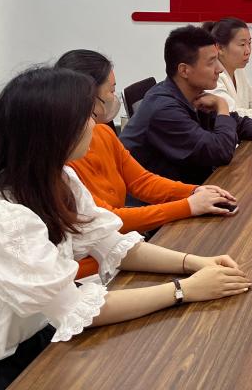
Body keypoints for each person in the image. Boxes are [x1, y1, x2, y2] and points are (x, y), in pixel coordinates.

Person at [0, 67, 252, 390]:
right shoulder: (0, 217)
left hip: (37, 339)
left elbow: (113, 244)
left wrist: (195, 263)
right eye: (87, 117)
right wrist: (184, 290)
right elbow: (76, 309)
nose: (94, 124)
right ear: (56, 131)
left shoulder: (60, 177)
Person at [57, 50, 238, 280]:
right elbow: (110, 220)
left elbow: (141, 181)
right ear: (87, 98)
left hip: (117, 250)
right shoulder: (64, 164)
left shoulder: (102, 132)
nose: (114, 99)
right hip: (91, 271)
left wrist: (194, 192)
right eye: (111, 91)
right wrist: (188, 206)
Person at [121, 25, 252, 184]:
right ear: (184, 70)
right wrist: (222, 105)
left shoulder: (192, 93)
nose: (220, 69)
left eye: (217, 59)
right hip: (155, 203)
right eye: (211, 62)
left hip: (190, 185)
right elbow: (220, 152)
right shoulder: (164, 109)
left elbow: (238, 123)